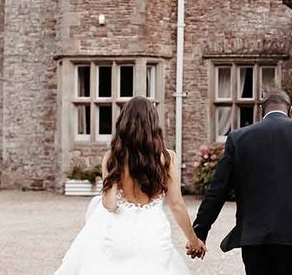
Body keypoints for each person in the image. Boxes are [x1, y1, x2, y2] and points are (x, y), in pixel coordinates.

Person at [55, 96, 206, 274]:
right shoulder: (167, 157)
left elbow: (109, 205)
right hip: (153, 233)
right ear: (153, 123)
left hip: (120, 234)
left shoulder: (113, 157)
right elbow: (177, 205)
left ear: (124, 123)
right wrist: (194, 240)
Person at [190, 88, 292, 275]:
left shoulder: (238, 138)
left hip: (256, 239)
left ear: (261, 110)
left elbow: (217, 190)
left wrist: (200, 231)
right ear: (291, 108)